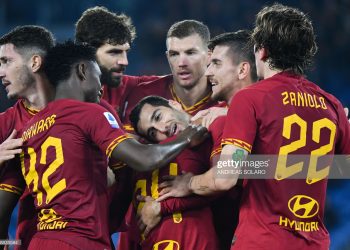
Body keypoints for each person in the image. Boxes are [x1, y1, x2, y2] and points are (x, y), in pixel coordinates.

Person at [157, 4, 350, 250]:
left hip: (262, 240)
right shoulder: (330, 103)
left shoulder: (251, 99)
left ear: (261, 51)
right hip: (314, 243)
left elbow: (225, 178)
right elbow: (343, 168)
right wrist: (276, 164)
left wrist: (189, 184)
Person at [18, 41, 206, 250]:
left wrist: (189, 187)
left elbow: (233, 175)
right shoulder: (167, 145)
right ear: (83, 70)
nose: (161, 128)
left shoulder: (30, 128)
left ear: (173, 103)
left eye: (158, 116)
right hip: (82, 239)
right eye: (151, 132)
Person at [0, 25, 55, 250]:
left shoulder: (88, 109)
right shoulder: (6, 124)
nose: (0, 71)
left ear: (35, 62)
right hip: (30, 243)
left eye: (6, 61)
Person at [119, 19, 218, 132]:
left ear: (209, 56)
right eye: (174, 54)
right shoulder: (144, 95)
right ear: (167, 57)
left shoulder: (227, 99)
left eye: (190, 53)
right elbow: (132, 146)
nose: (181, 63)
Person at [75, 6, 159, 115]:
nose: (125, 62)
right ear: (86, 52)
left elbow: (172, 82)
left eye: (126, 52)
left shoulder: (126, 86)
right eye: (114, 52)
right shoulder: (54, 96)